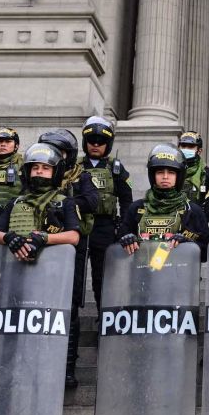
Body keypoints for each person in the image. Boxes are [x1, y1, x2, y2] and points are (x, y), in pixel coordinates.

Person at [37, 128, 98, 388]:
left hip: (70, 246)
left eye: (59, 152)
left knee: (70, 306)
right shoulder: (33, 175)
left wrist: (64, 203)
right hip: (37, 247)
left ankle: (67, 367)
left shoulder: (81, 176)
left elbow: (92, 201)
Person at [0, 142, 82, 258]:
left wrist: (45, 238)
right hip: (13, 268)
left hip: (52, 266)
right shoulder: (15, 202)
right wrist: (8, 238)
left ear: (55, 173)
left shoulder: (65, 202)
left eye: (46, 168)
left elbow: (74, 237)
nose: (39, 171)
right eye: (35, 167)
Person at [80, 116, 133, 312]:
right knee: (75, 273)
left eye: (100, 141)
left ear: (108, 144)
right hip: (78, 226)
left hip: (104, 226)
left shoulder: (116, 168)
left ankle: (104, 314)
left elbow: (126, 200)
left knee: (103, 274)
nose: (95, 144)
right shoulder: (74, 167)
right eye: (91, 140)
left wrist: (123, 227)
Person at [119, 144, 209, 255]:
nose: (165, 176)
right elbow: (117, 247)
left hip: (178, 270)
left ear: (179, 176)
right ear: (153, 176)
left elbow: (206, 251)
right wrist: (126, 239)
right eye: (160, 172)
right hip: (143, 270)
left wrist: (188, 243)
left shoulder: (192, 210)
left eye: (171, 173)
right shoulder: (137, 208)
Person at [178, 131, 209, 205]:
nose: (186, 149)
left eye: (191, 146)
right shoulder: (172, 168)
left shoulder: (207, 173)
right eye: (183, 145)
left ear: (199, 151)